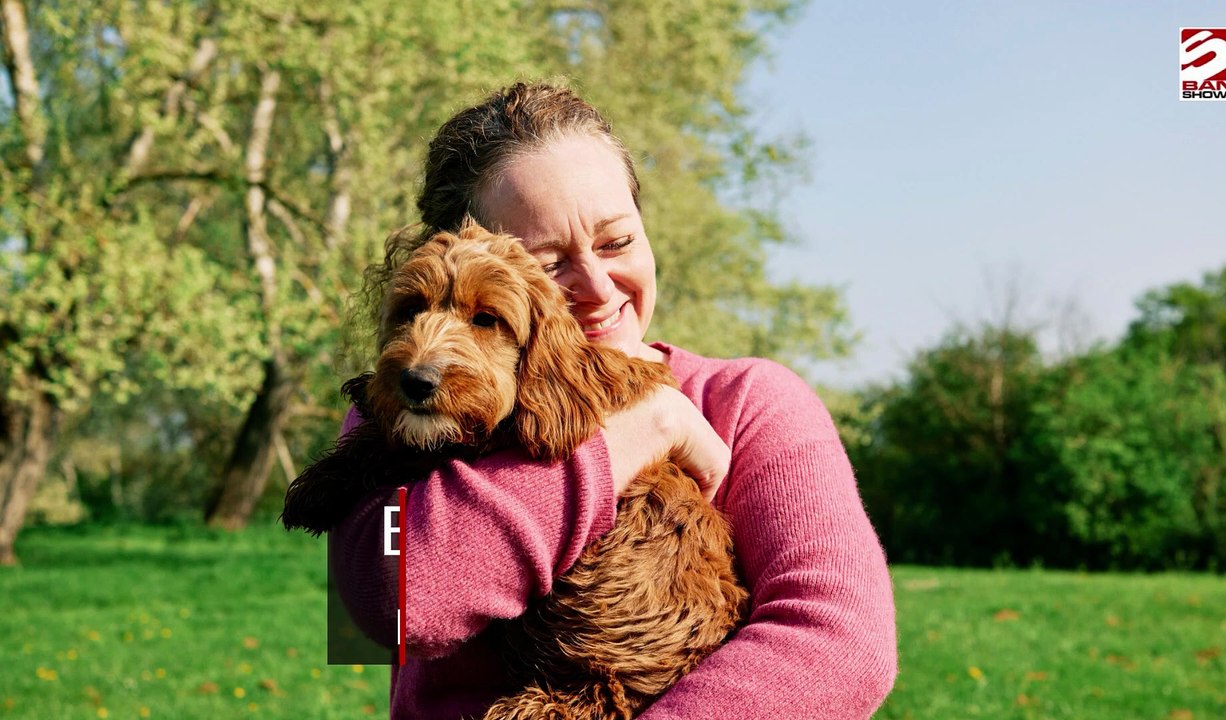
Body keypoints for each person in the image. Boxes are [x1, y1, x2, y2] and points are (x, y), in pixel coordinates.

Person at [330, 82, 897, 719]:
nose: (597, 287)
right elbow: (388, 607)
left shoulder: (749, 403)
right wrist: (637, 433)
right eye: (545, 261)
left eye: (616, 242)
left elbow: (841, 643)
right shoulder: (408, 408)